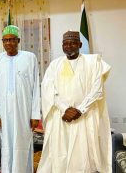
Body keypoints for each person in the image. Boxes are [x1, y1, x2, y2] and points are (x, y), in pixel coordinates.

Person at [37, 31, 112, 173]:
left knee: (84, 155)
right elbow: (49, 90)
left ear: (80, 44)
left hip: (85, 117)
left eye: (72, 43)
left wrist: (80, 110)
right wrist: (65, 109)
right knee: (60, 155)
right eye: (65, 43)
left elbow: (97, 90)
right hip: (62, 118)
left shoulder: (93, 62)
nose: (69, 46)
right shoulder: (55, 65)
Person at [0, 25, 41, 173]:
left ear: (18, 40)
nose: (8, 43)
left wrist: (35, 114)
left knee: (23, 143)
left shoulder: (30, 58)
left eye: (12, 40)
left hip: (24, 111)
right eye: (5, 40)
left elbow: (35, 88)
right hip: (4, 112)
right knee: (6, 145)